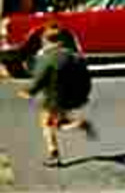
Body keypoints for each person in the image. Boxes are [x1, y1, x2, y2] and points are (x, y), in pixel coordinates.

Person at [18, 27, 96, 167]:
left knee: (47, 124)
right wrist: (83, 95)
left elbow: (41, 77)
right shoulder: (73, 55)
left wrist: (29, 91)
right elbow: (86, 78)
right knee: (57, 123)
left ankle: (54, 154)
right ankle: (78, 124)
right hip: (72, 97)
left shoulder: (48, 57)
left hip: (55, 98)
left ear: (45, 40)